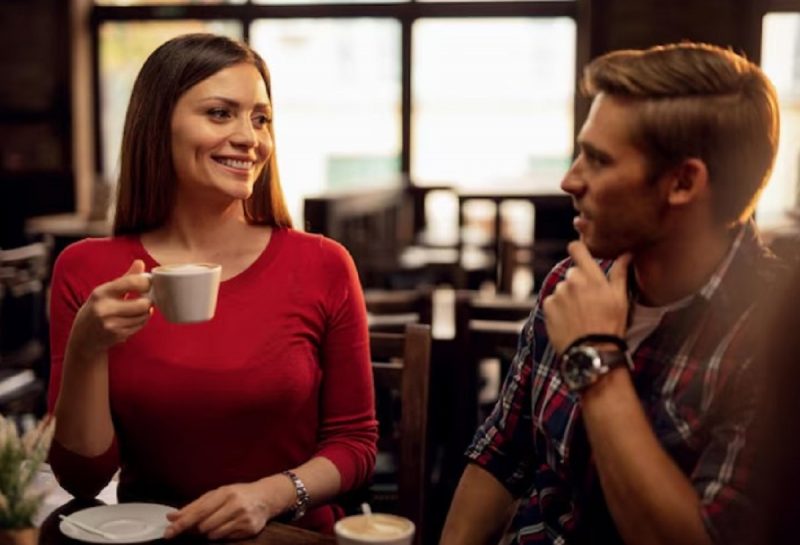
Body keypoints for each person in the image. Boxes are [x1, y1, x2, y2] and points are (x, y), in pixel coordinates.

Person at [440, 42, 784, 545]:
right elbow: (501, 456)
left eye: (598, 160)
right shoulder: (571, 282)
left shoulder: (776, 335)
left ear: (683, 182)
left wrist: (594, 357)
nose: (569, 180)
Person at [47, 33, 377, 539]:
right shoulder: (86, 268)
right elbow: (83, 480)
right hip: (150, 537)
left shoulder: (323, 264)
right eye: (221, 113)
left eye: (260, 118)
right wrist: (87, 347)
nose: (250, 137)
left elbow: (355, 443)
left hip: (286, 537)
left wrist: (269, 496)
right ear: (158, 125)